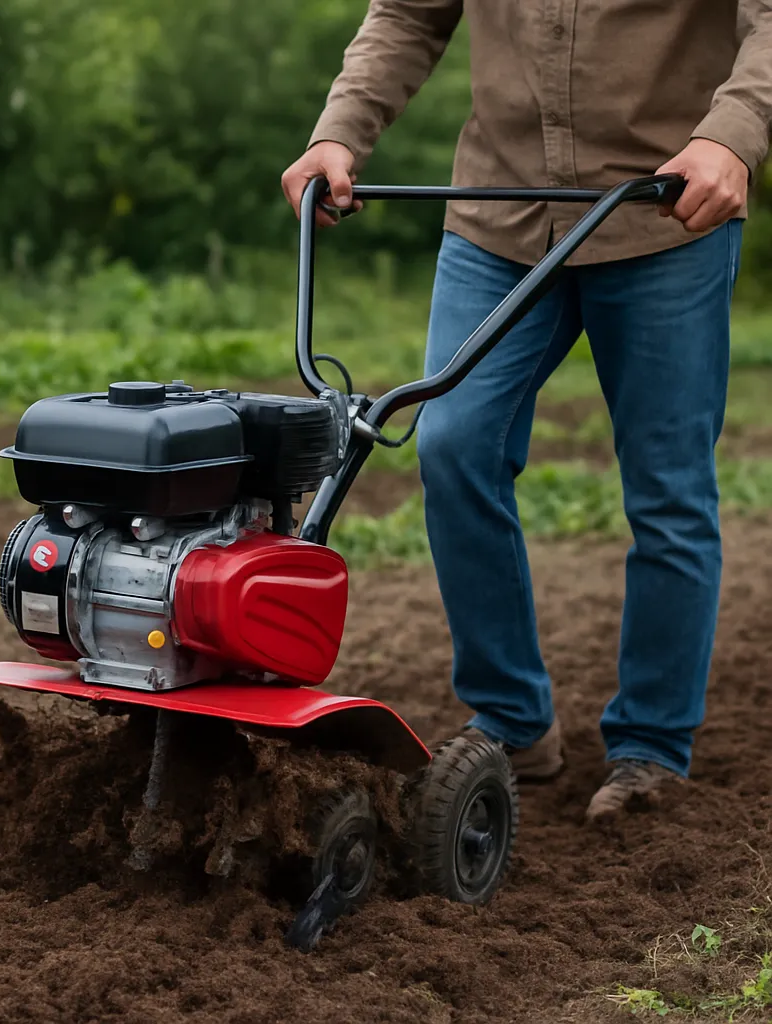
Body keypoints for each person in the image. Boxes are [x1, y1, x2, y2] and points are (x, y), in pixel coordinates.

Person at [282, 2, 772, 822]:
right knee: (451, 444)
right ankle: (513, 716)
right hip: (500, 214)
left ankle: (651, 746)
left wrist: (735, 132)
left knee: (668, 489)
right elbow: (408, 13)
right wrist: (339, 131)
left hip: (663, 213)